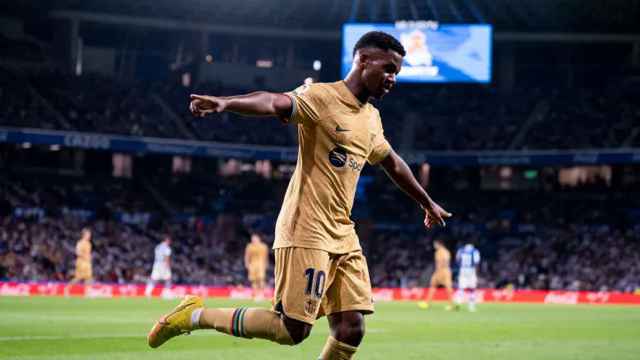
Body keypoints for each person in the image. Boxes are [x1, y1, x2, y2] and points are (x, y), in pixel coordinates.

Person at [147, 31, 452, 359]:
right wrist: (226, 103)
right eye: (389, 68)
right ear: (363, 60)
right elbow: (274, 101)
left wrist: (427, 202)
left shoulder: (371, 118)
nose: (393, 78)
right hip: (307, 228)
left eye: (397, 73)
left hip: (343, 233)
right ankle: (194, 315)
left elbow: (392, 162)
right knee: (291, 329)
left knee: (352, 327)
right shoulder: (322, 97)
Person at [420, 239, 455, 310]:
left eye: (435, 244)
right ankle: (427, 303)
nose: (434, 246)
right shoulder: (442, 252)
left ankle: (451, 305)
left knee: (447, 288)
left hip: (443, 271)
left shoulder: (442, 252)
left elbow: (445, 261)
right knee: (433, 285)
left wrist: (439, 270)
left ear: (439, 244)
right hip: (442, 271)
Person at [64, 227, 93, 296]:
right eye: (88, 234)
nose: (89, 236)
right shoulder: (80, 243)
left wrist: (89, 257)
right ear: (84, 235)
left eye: (89, 234)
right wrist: (84, 256)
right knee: (78, 278)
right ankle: (67, 289)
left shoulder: (89, 243)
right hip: (81, 262)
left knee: (88, 278)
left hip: (87, 262)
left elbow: (88, 253)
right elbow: (77, 252)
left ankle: (87, 293)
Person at [455, 243, 481, 312]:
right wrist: (476, 272)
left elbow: (457, 260)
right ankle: (471, 306)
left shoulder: (461, 250)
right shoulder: (475, 251)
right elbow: (477, 261)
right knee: (471, 289)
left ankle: (458, 302)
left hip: (463, 269)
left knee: (461, 288)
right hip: (471, 270)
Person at [244, 233, 269, 301]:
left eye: (255, 238)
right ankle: (255, 295)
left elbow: (266, 256)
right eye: (252, 239)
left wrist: (266, 264)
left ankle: (261, 294)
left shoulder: (263, 246)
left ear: (258, 239)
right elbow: (247, 256)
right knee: (253, 281)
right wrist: (247, 264)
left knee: (261, 280)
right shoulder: (249, 246)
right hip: (252, 265)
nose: (253, 240)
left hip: (261, 265)